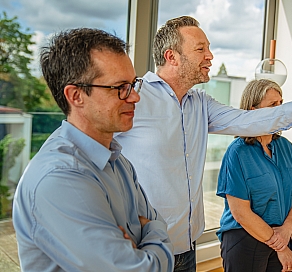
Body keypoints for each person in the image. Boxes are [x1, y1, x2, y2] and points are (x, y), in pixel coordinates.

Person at [115, 15, 292, 272]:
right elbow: (95, 153)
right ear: (171, 56)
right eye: (200, 49)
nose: (210, 56)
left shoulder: (201, 103)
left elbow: (249, 121)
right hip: (142, 248)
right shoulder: (134, 97)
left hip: (187, 246)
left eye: (208, 48)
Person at [12, 28, 174, 271]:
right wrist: (155, 234)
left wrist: (148, 234)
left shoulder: (117, 160)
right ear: (76, 96)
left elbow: (153, 222)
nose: (134, 98)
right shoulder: (60, 179)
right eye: (119, 87)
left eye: (133, 84)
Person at [216, 79, 292, 272]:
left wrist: (287, 228)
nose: (280, 111)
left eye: (281, 104)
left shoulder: (286, 147)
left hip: (281, 233)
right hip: (245, 238)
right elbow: (241, 213)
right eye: (273, 105)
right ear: (253, 110)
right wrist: (279, 244)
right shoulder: (237, 152)